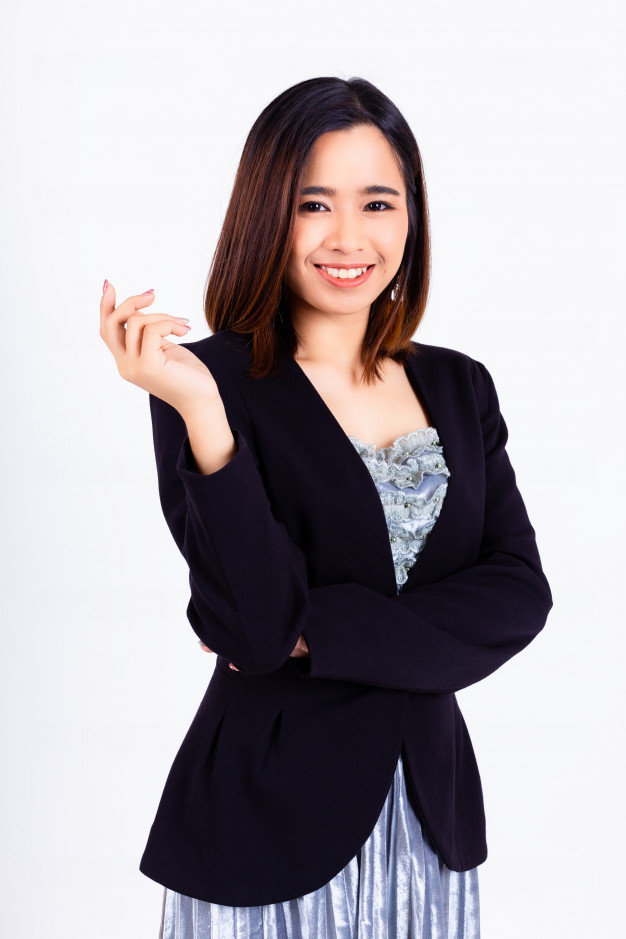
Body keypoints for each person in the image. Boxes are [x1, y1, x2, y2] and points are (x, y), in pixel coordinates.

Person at [100, 76, 552, 938]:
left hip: (429, 823)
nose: (349, 236)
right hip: (262, 824)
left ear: (411, 216)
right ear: (267, 214)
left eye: (377, 202)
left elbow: (519, 594)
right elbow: (256, 629)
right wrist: (199, 413)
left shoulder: (460, 386)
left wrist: (318, 632)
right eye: (314, 203)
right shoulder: (206, 384)